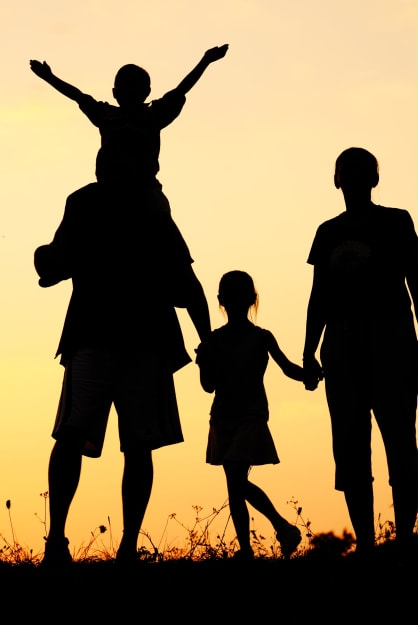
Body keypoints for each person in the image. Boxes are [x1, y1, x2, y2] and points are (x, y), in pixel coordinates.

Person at [35, 168, 212, 567]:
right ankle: (96, 544)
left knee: (116, 441)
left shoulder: (121, 203)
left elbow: (53, 265)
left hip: (123, 340)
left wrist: (208, 341)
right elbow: (187, 282)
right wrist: (207, 342)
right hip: (123, 339)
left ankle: (89, 543)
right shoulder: (117, 202)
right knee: (121, 442)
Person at [302, 147, 418, 556]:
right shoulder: (327, 232)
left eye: (362, 173)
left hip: (391, 338)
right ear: (337, 180)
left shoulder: (397, 221)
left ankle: (405, 542)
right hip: (341, 344)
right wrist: (309, 351)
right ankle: (368, 546)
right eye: (349, 173)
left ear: (374, 180)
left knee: (399, 440)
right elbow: (318, 295)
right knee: (350, 447)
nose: (356, 180)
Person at [29, 45, 228, 288]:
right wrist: (49, 78)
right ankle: (60, 255)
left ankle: (189, 295)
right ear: (114, 91)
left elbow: (182, 88)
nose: (129, 90)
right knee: (75, 200)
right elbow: (77, 96)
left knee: (172, 247)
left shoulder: (155, 114)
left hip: (143, 190)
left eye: (135, 85)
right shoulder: (105, 114)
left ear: (146, 91)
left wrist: (205, 61)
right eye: (124, 85)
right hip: (108, 190)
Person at [196, 271, 305, 560]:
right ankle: (249, 548)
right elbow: (209, 386)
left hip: (251, 416)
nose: (232, 301)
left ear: (249, 300)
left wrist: (309, 374)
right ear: (222, 301)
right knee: (234, 484)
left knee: (234, 475)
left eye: (236, 295)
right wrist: (202, 363)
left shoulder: (261, 337)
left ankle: (279, 528)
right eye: (228, 295)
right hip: (223, 416)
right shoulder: (214, 341)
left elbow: (287, 367)